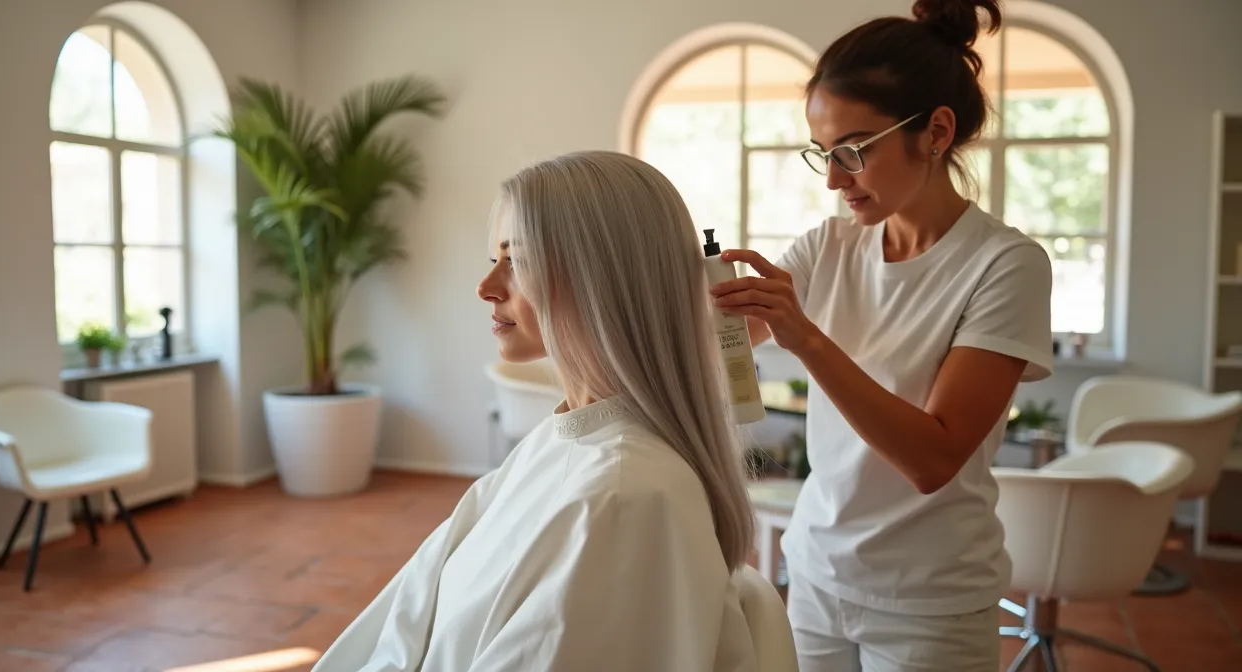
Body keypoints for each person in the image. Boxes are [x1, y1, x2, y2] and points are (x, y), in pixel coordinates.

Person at [312, 150, 765, 671]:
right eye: (494, 261)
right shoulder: (573, 441)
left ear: (604, 280)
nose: (486, 289)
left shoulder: (623, 496)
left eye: (518, 262)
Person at [708, 0, 1053, 669]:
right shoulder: (827, 246)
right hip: (814, 575)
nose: (835, 179)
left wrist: (805, 338)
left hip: (931, 601)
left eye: (853, 151)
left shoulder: (1005, 265)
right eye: (823, 154)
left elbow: (934, 459)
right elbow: (717, 341)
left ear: (936, 132)